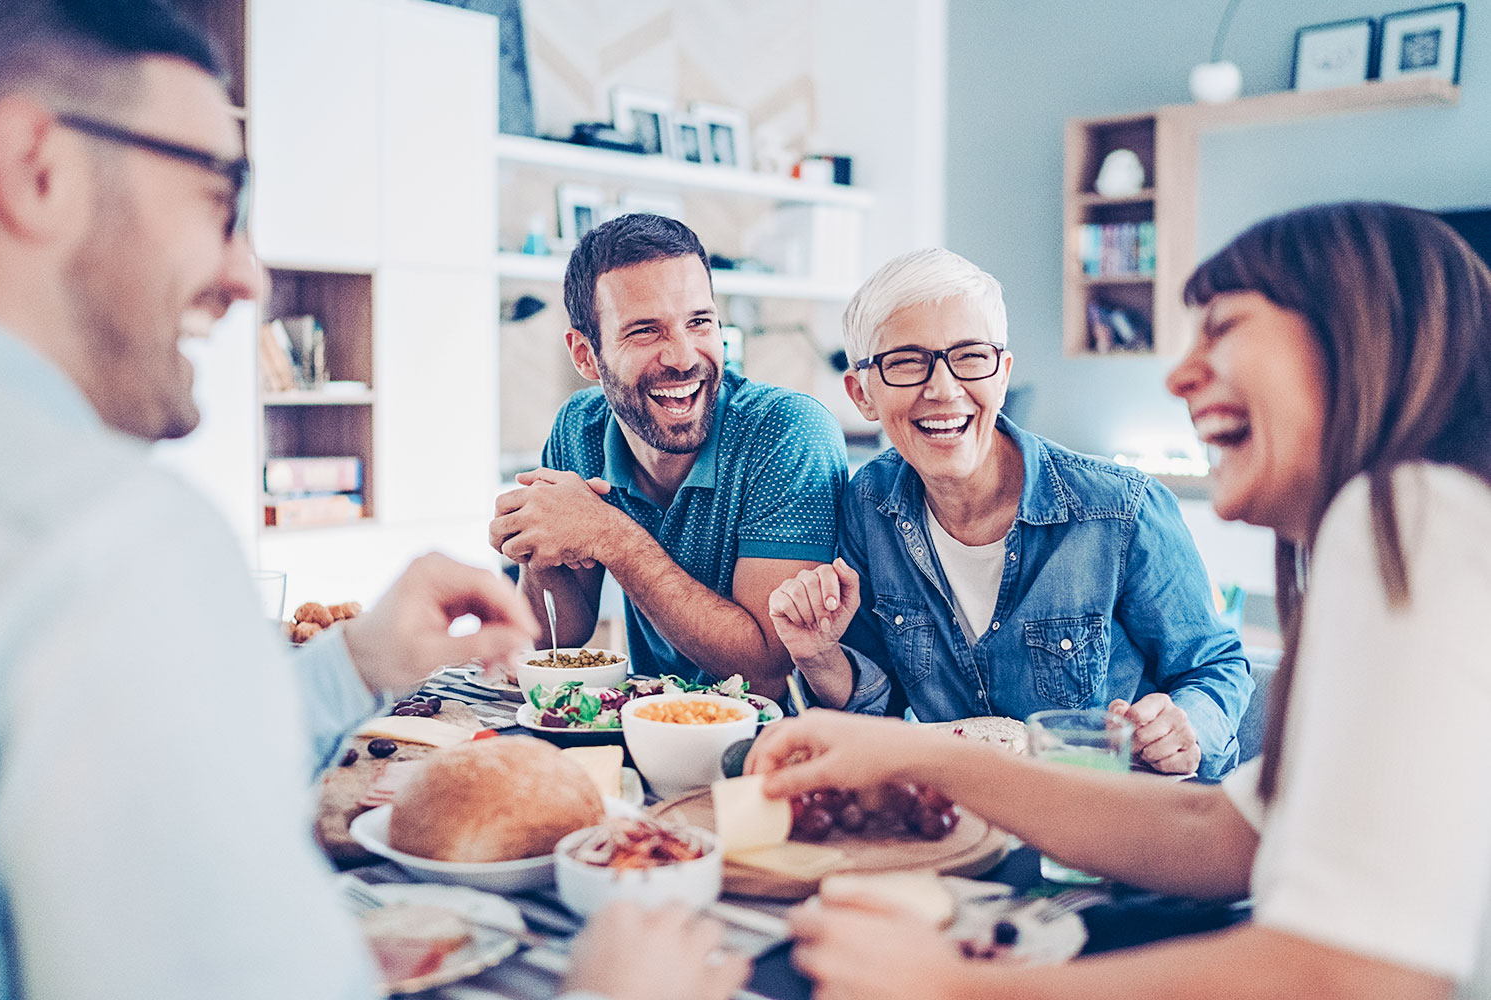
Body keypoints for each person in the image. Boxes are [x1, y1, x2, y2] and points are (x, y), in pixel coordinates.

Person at [0, 4, 746, 999]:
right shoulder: (116, 542)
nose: (245, 273)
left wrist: (352, 666)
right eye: (221, 194)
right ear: (36, 169)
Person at [748, 202, 1491, 1000]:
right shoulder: (1399, 524)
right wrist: (913, 754)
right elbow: (1220, 834)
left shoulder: (1419, 517)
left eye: (1224, 327)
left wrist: (950, 988)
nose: (1178, 375)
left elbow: (1361, 976)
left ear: (1356, 337)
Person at [767, 248, 1251, 779]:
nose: (944, 389)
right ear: (862, 394)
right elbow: (878, 708)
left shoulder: (1121, 509)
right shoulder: (868, 506)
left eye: (971, 356)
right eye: (906, 362)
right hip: (960, 824)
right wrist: (818, 655)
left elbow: (1216, 667)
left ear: (1001, 374)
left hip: (1101, 826)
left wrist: (1185, 728)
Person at [490, 212, 848, 701]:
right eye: (644, 331)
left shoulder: (787, 433)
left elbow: (768, 674)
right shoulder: (580, 427)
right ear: (585, 356)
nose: (683, 356)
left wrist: (610, 535)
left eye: (700, 322)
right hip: (653, 727)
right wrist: (539, 534)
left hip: (781, 748)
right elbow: (554, 640)